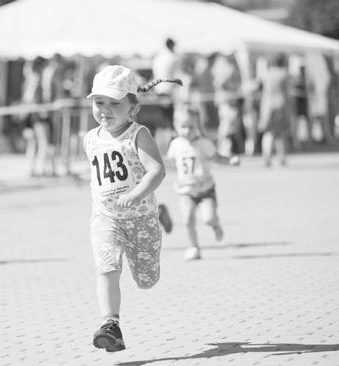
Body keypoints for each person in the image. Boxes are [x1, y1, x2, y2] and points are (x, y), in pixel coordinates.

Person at [84, 65, 178, 352]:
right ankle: (110, 324)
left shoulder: (138, 134)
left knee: (147, 280)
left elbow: (157, 171)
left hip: (141, 217)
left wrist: (138, 195)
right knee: (106, 264)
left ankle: (159, 212)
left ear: (133, 107)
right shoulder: (90, 139)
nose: (105, 110)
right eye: (99, 102)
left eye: (115, 104)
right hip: (107, 217)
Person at [166, 106, 239, 261]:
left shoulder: (204, 143)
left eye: (191, 126)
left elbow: (217, 158)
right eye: (183, 127)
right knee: (187, 219)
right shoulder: (175, 145)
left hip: (205, 189)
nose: (187, 130)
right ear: (176, 126)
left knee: (208, 218)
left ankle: (215, 225)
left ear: (198, 126)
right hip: (186, 191)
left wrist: (230, 160)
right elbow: (171, 163)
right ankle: (194, 247)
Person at [258, 54, 292, 167]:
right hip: (280, 104)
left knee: (268, 132)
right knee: (280, 133)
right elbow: (286, 93)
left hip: (267, 106)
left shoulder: (267, 73)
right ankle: (281, 157)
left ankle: (267, 158)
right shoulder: (284, 74)